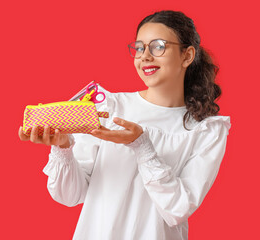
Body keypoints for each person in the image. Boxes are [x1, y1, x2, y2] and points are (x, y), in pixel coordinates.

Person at [19, 10, 231, 240]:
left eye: (158, 46)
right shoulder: (109, 107)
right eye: (140, 48)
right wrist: (63, 148)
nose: (145, 56)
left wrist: (142, 146)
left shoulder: (207, 129)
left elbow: (177, 209)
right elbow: (70, 196)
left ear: (187, 55)